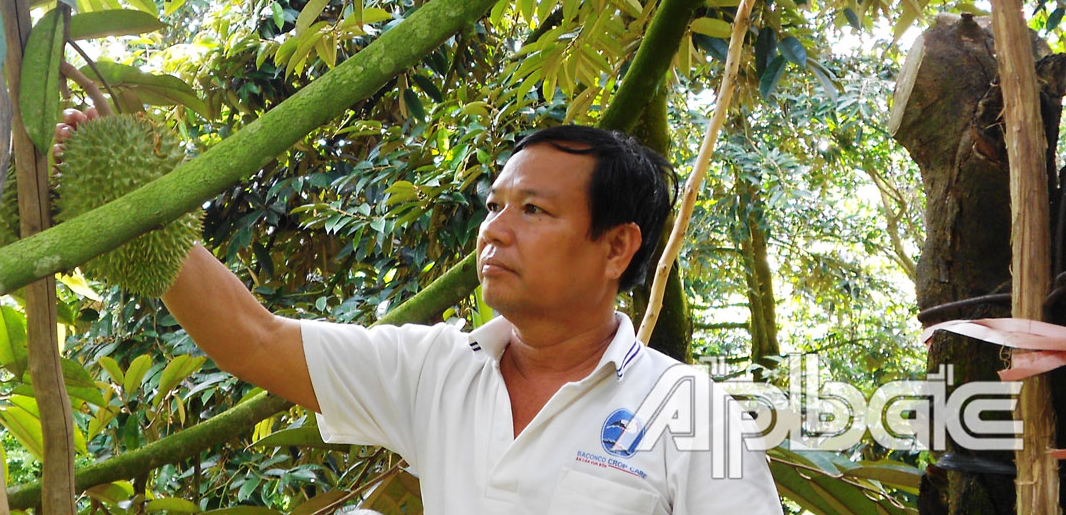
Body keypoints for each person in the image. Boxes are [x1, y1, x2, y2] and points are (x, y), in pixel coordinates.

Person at [157, 124, 783, 513]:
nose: (494, 231)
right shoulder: (435, 370)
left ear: (616, 248)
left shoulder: (695, 412)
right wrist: (143, 201)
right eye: (494, 204)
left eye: (533, 210)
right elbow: (253, 339)